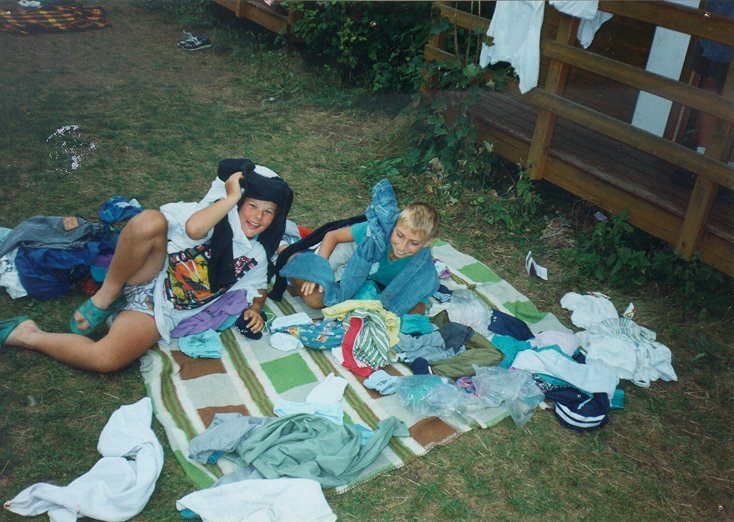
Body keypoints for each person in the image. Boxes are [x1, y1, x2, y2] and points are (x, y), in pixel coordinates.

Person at [0, 159, 293, 373]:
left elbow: (257, 285)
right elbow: (194, 229)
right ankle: (107, 295)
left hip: (160, 310)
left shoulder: (256, 254)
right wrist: (231, 197)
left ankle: (27, 334)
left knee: (105, 359)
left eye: (268, 212)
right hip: (149, 272)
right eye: (251, 206)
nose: (258, 217)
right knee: (150, 220)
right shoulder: (214, 214)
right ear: (238, 203)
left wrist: (256, 308)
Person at [278, 178, 440, 317]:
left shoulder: (422, 270)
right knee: (306, 283)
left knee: (316, 300)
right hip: (346, 254)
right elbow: (332, 236)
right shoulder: (377, 232)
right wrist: (318, 269)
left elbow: (415, 301)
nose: (402, 247)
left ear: (427, 242)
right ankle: (286, 248)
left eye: (414, 243)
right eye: (399, 235)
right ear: (395, 225)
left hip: (358, 277)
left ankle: (297, 276)